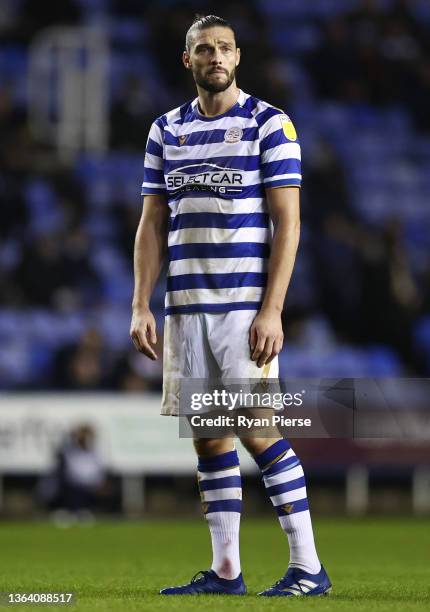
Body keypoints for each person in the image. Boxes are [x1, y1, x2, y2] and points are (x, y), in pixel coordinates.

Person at [130, 14, 331, 597]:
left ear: (238, 57)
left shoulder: (271, 124)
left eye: (224, 48)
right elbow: (151, 224)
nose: (215, 56)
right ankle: (225, 573)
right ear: (186, 60)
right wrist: (142, 303)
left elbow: (288, 223)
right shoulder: (165, 130)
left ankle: (308, 566)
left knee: (257, 431)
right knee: (210, 438)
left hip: (243, 310)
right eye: (203, 49)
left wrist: (273, 308)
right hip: (186, 310)